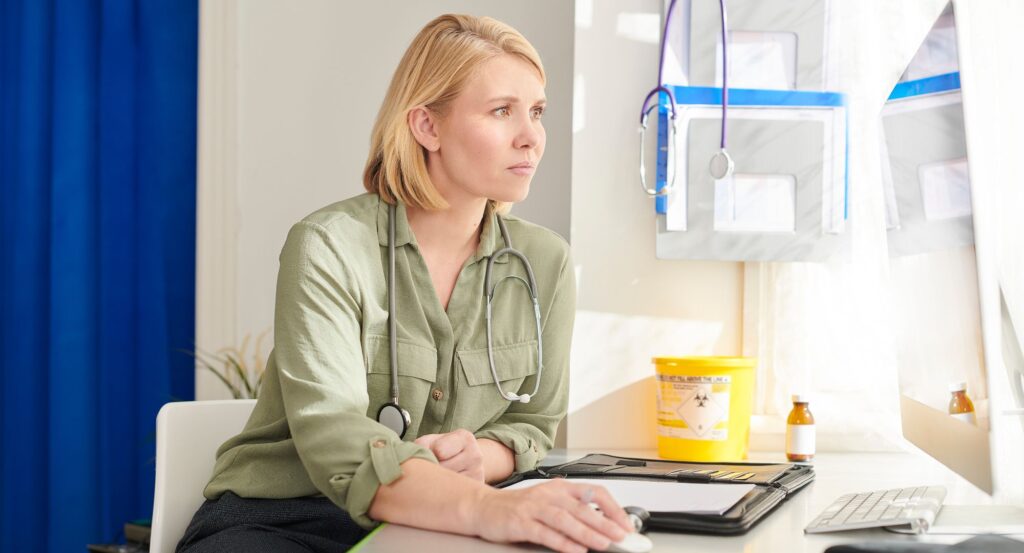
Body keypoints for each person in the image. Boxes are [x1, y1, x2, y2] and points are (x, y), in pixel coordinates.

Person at [176, 13, 634, 553]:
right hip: (287, 518)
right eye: (502, 111)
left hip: (444, 519)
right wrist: (488, 508)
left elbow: (531, 423)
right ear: (427, 127)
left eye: (536, 112)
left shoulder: (546, 262)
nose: (531, 137)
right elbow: (335, 436)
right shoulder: (328, 246)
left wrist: (481, 456)